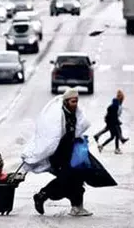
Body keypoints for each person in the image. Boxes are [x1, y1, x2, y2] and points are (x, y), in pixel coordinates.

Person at [22, 88, 93, 217]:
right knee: (65, 180)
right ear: (66, 102)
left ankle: (77, 207)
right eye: (72, 101)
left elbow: (77, 130)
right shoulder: (58, 116)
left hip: (71, 154)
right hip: (59, 156)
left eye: (76, 101)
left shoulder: (74, 114)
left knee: (76, 180)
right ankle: (41, 196)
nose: (75, 104)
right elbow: (51, 137)